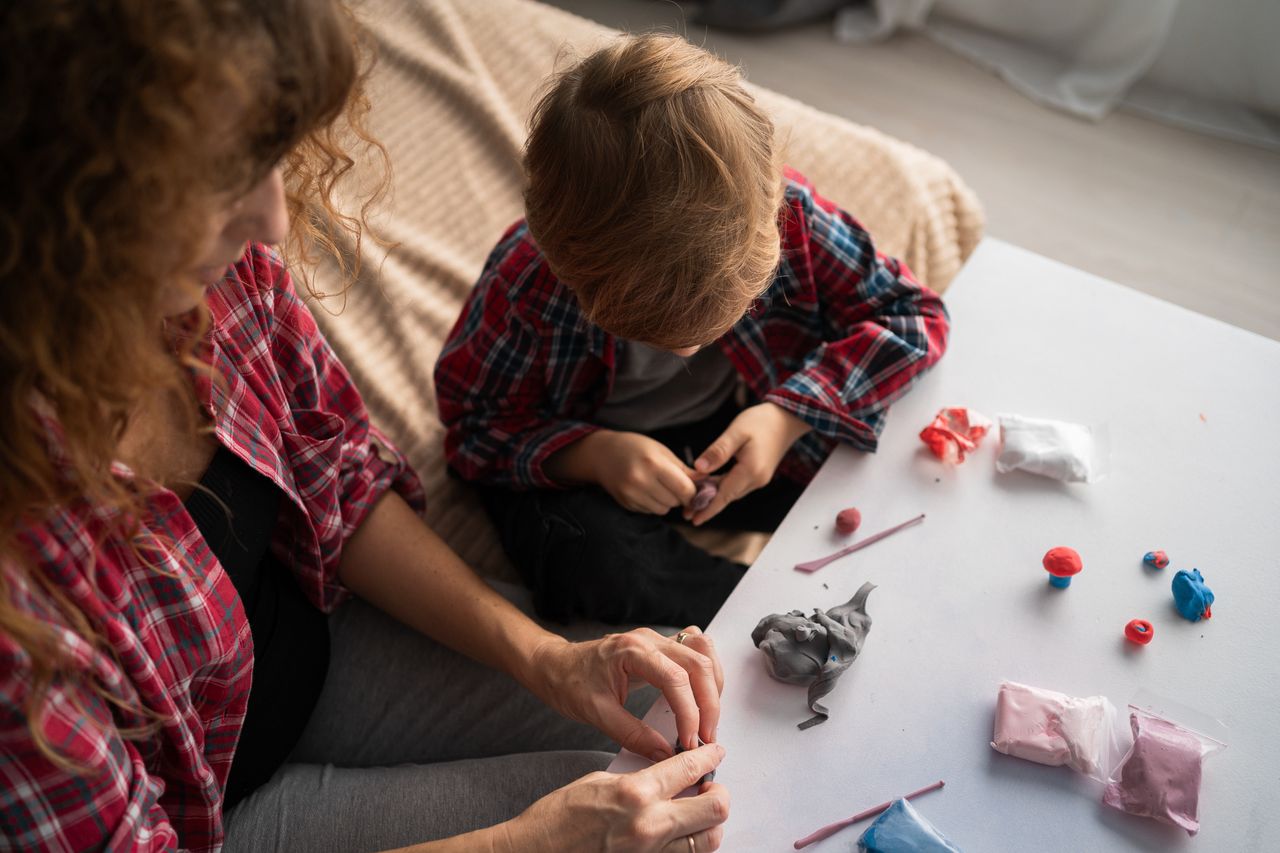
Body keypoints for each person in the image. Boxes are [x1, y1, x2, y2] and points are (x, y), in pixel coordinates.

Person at [0, 2, 730, 851]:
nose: (271, 220)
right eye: (220, 179)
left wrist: (544, 657)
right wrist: (524, 841)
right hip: (211, 816)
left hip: (318, 651)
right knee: (659, 828)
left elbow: (337, 479)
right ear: (61, 208)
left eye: (270, 159)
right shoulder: (20, 595)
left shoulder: (211, 281)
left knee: (681, 723)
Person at [434, 33, 951, 629]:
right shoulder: (527, 280)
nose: (684, 351)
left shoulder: (789, 213)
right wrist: (591, 454)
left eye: (712, 324)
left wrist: (788, 416)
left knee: (874, 457)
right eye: (655, 333)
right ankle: (765, 613)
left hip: (744, 422)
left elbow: (915, 316)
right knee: (585, 559)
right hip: (587, 447)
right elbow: (472, 430)